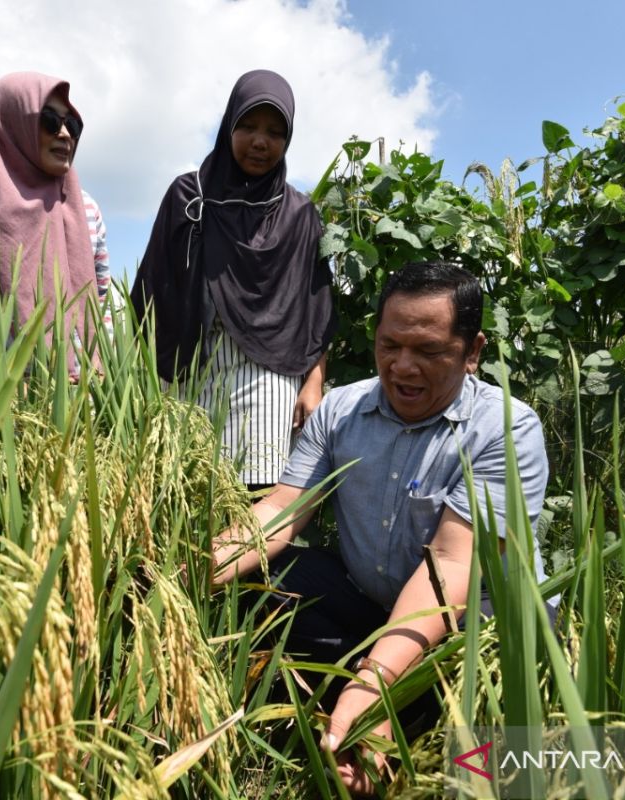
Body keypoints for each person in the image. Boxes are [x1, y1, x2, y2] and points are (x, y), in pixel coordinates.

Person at [211, 261, 551, 795]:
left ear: (473, 351)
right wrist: (194, 571)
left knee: (506, 672)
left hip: (472, 621)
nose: (403, 366)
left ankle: (403, 724)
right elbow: (280, 510)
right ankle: (363, 714)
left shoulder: (506, 428)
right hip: (371, 603)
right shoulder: (342, 409)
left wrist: (376, 683)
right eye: (389, 345)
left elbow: (452, 565)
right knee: (271, 580)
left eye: (429, 351)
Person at [130, 69, 335, 489]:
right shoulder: (190, 198)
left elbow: (316, 312)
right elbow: (151, 290)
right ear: (228, 126)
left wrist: (313, 383)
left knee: (256, 500)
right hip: (190, 372)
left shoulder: (298, 214)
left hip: (267, 374)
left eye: (276, 132)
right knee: (183, 495)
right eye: (248, 126)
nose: (261, 141)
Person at [0, 72, 110, 374]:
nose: (66, 134)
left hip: (88, 396)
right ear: (11, 124)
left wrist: (107, 373)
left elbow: (103, 303)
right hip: (3, 399)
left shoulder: (87, 209)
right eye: (50, 121)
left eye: (73, 124)